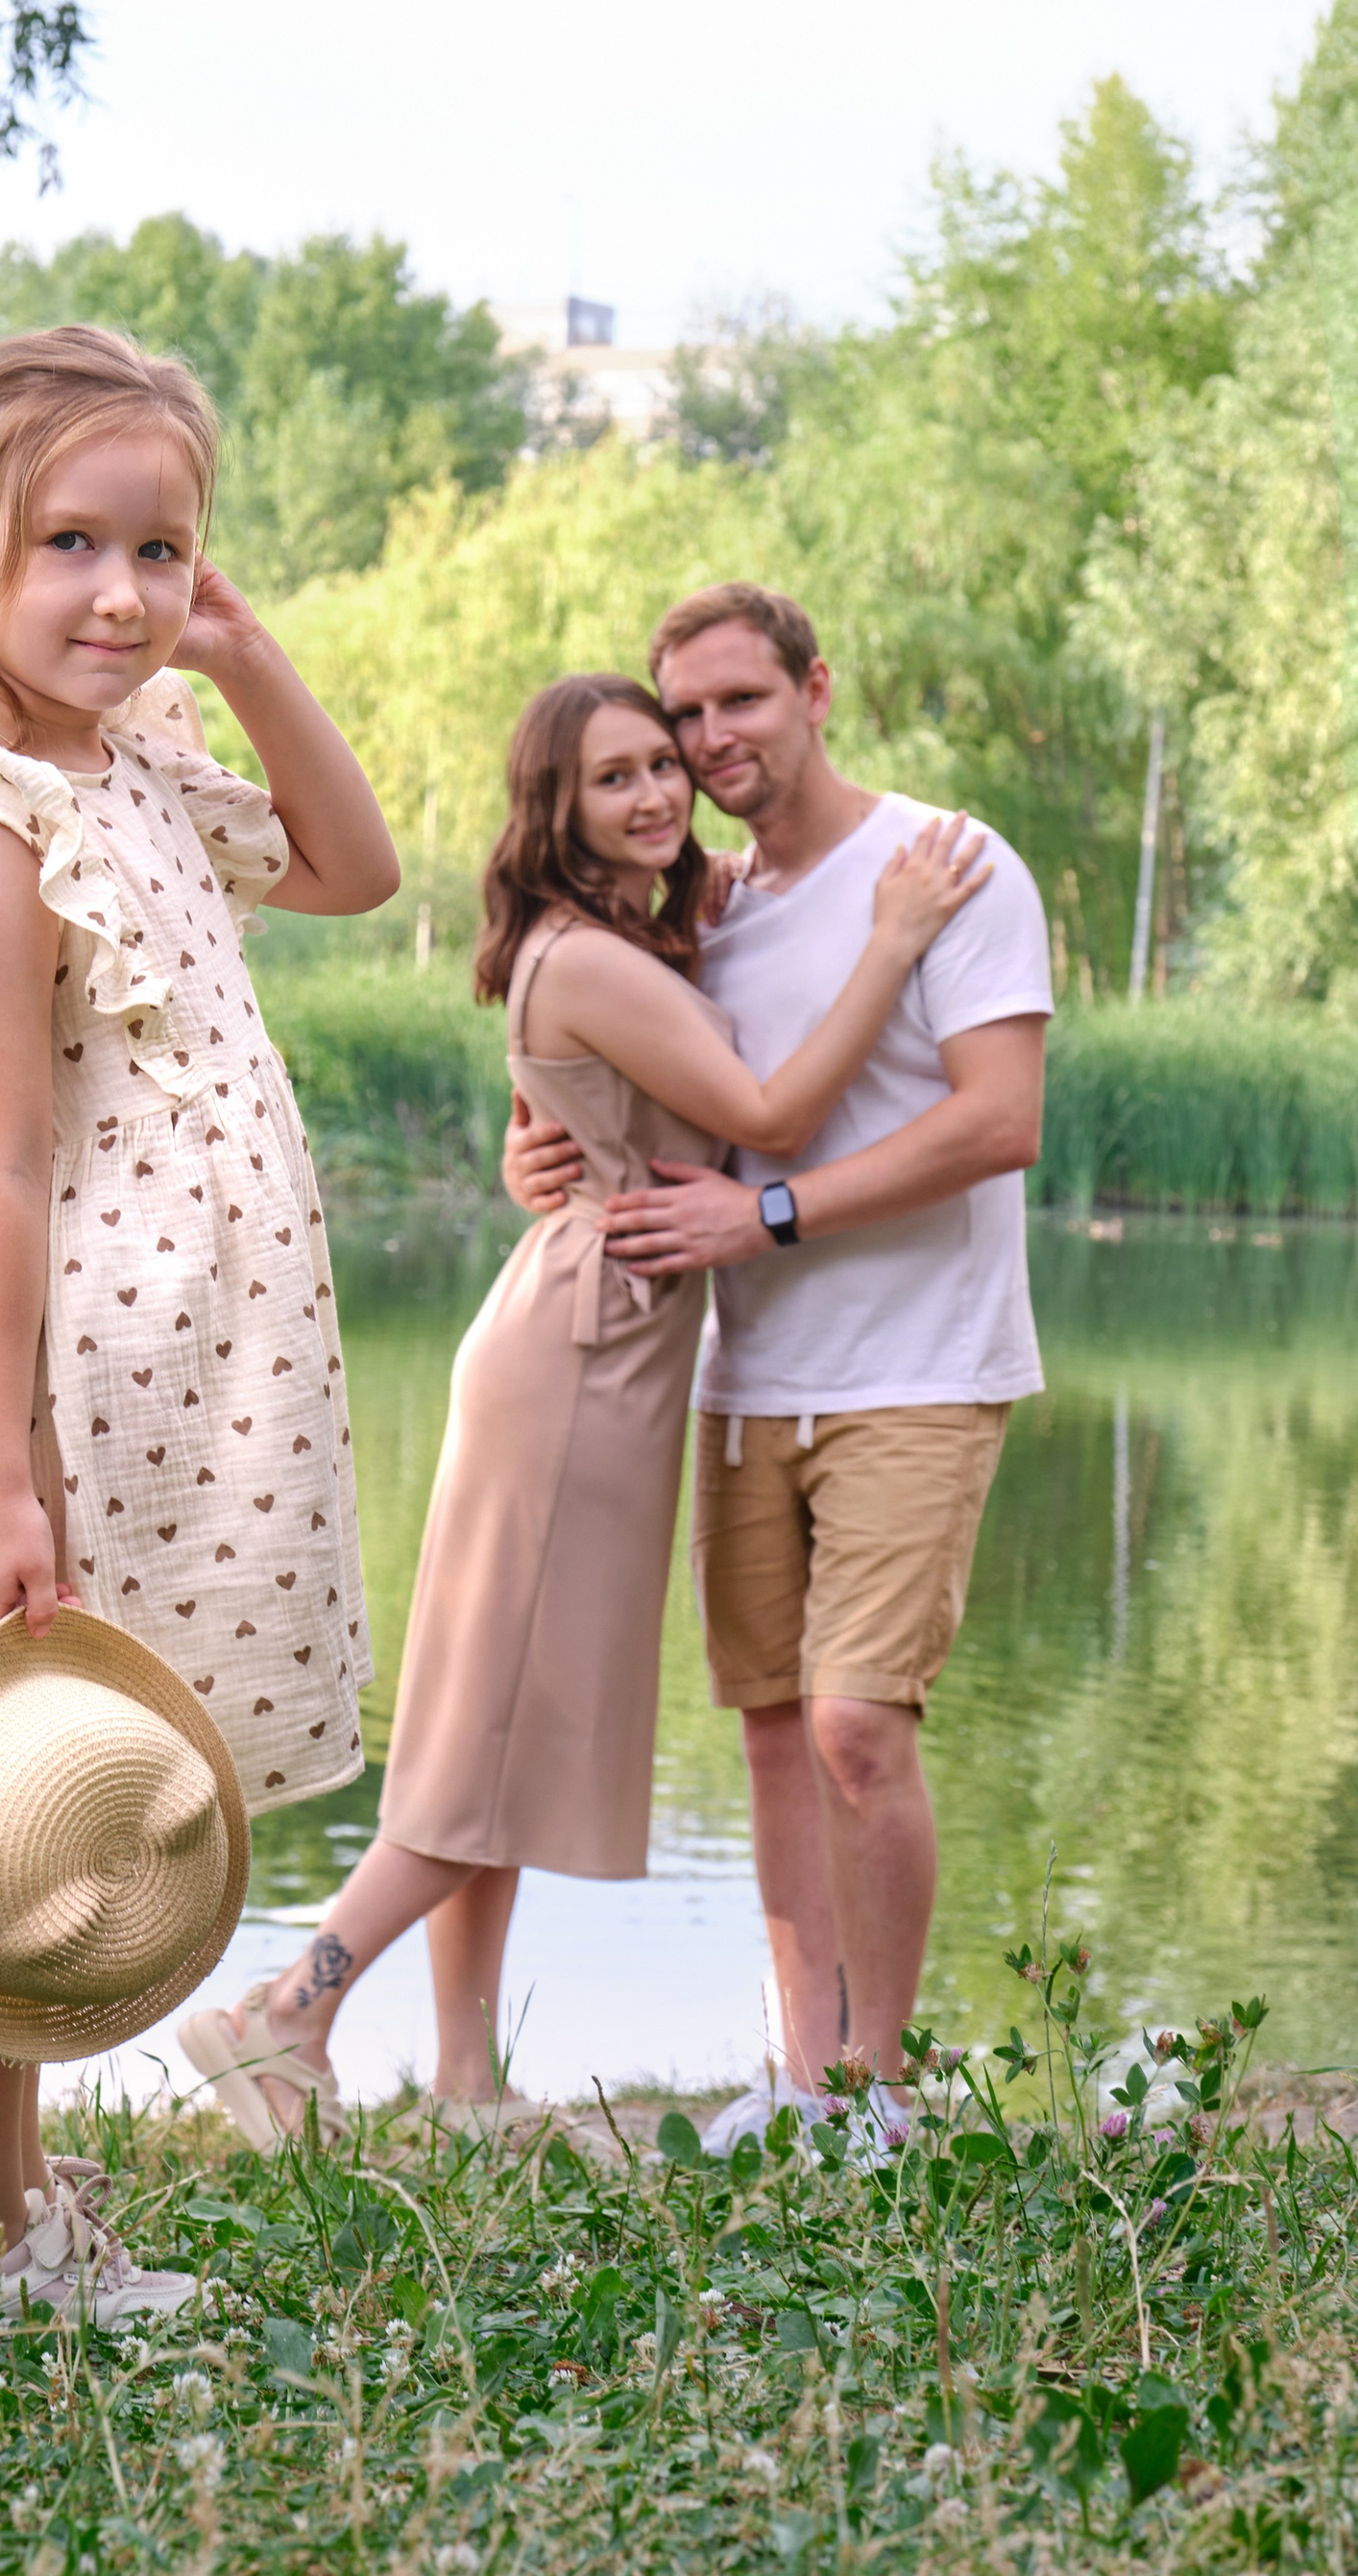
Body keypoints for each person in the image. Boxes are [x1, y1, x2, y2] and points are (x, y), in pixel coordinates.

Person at [0, 325, 399, 2313]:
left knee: (64, 1806)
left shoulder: (134, 763)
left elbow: (355, 867)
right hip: (33, 1399)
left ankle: (23, 2221)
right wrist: (0, 1480)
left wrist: (248, 655)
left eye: (163, 550)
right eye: (73, 542)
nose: (125, 594)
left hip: (164, 1400)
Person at [178, 671, 986, 2148]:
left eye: (663, 766)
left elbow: (599, 1107)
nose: (657, 794)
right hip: (581, 1358)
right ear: (556, 808)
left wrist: (544, 1138)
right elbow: (772, 1117)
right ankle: (283, 2010)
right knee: (491, 1737)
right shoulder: (591, 957)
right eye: (614, 777)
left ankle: (466, 2080)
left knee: (491, 1722)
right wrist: (894, 940)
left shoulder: (622, 940)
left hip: (592, 1337)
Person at [504, 585, 1053, 2147]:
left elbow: (999, 1120)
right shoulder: (707, 906)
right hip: (743, 1380)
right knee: (769, 1734)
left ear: (817, 689)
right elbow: (616, 1083)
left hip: (919, 1368)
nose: (708, 740)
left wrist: (772, 1214)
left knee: (856, 1729)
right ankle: (806, 2086)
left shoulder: (947, 865)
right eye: (683, 715)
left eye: (740, 700)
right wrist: (536, 1153)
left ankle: (883, 2085)